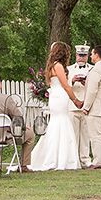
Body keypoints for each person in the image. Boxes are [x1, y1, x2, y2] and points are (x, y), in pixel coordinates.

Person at [28, 41, 84, 171]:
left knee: (59, 122)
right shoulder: (58, 66)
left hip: (56, 96)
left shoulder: (52, 66)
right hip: (60, 96)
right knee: (61, 122)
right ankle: (57, 158)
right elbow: (65, 85)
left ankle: (59, 156)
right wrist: (75, 100)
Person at [0, 72, 34, 172]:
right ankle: (23, 165)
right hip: (5, 137)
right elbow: (18, 117)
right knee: (30, 135)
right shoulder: (6, 99)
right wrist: (24, 127)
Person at [80, 45, 101, 169]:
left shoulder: (96, 70)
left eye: (92, 54)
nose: (90, 56)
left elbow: (92, 91)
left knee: (95, 136)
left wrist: (86, 107)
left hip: (97, 108)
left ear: (96, 55)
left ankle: (98, 161)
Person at [67, 45, 92, 166]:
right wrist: (72, 80)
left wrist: (85, 82)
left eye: (84, 55)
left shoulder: (92, 69)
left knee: (85, 135)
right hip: (72, 106)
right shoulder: (69, 69)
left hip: (86, 105)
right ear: (76, 55)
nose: (81, 58)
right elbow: (64, 86)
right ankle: (74, 158)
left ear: (87, 56)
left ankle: (85, 158)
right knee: (73, 135)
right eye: (79, 55)